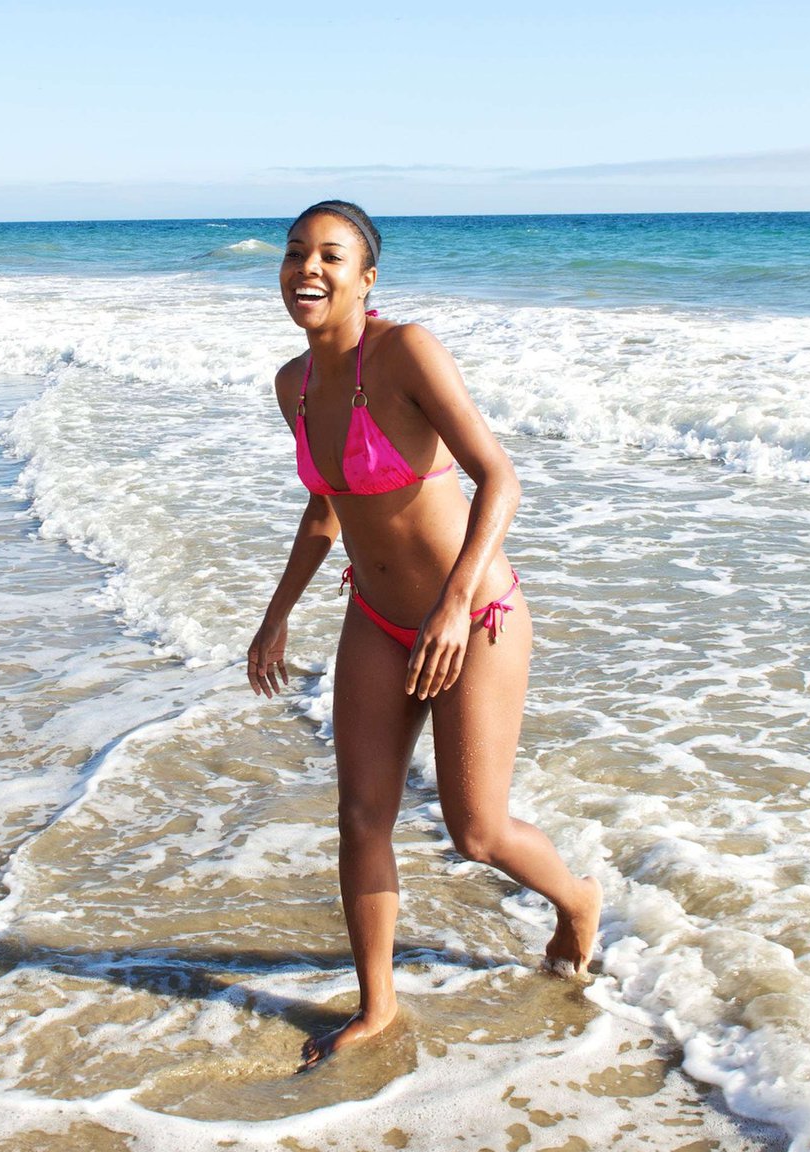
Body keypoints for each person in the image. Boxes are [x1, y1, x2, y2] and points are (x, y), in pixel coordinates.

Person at [247, 201, 601, 1070]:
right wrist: (277, 611)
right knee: (360, 815)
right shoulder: (293, 383)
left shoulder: (404, 352)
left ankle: (579, 901)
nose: (309, 268)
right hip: (374, 619)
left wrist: (451, 603)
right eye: (296, 253)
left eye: (332, 255)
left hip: (472, 616)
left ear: (368, 278)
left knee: (474, 833)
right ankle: (377, 1006)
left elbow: (499, 478)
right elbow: (326, 508)